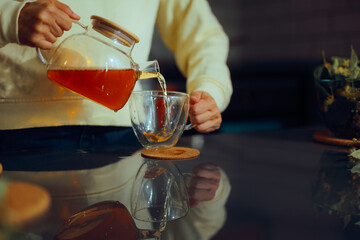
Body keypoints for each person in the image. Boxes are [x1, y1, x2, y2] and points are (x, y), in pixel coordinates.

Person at [0, 0, 232, 239]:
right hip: (18, 135)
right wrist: (10, 18)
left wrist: (209, 91)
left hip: (125, 138)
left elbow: (204, 37)